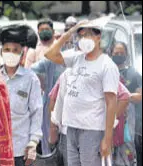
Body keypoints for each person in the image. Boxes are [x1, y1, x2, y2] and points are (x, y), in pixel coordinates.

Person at [45, 19, 120, 166]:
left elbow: (111, 102)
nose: (84, 39)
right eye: (82, 35)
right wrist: (71, 32)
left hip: (91, 129)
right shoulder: (77, 58)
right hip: (72, 127)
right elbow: (50, 54)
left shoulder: (107, 65)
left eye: (89, 35)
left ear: (98, 37)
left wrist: (107, 138)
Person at [0, 24, 43, 166]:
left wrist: (33, 142)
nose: (10, 53)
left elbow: (36, 112)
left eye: (15, 50)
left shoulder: (30, 79)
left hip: (20, 150)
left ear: (22, 53)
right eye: (7, 50)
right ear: (1, 52)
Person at [111, 42, 142, 166]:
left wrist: (124, 98)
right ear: (110, 54)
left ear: (126, 55)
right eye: (116, 53)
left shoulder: (133, 74)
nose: (119, 55)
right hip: (108, 120)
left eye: (121, 53)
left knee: (127, 152)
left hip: (127, 123)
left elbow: (140, 96)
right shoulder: (106, 72)